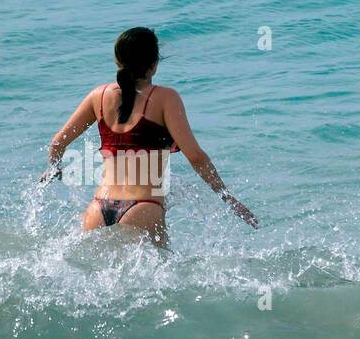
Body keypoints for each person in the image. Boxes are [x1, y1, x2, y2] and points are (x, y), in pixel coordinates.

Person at [42, 27, 258, 244]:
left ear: (118, 62)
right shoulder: (165, 98)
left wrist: (54, 169)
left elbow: (57, 143)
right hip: (143, 208)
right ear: (153, 65)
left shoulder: (98, 96)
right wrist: (229, 199)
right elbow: (196, 157)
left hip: (99, 207)